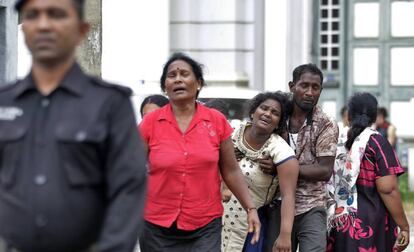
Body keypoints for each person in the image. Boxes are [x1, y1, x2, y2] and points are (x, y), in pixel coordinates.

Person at [0, 0, 148, 251]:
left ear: (81, 30)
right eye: (33, 15)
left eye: (56, 15)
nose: (44, 25)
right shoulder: (5, 102)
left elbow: (128, 189)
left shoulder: (110, 104)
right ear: (24, 28)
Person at [138, 52, 260, 252]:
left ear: (199, 83)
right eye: (172, 75)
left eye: (184, 74)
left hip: (204, 226)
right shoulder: (149, 124)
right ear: (164, 87)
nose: (178, 79)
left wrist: (250, 208)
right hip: (156, 228)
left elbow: (230, 171)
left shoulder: (216, 121)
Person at [264, 64, 339, 252]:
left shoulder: (326, 123)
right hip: (276, 203)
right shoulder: (277, 115)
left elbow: (324, 170)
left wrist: (281, 168)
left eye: (315, 87)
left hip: (311, 206)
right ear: (292, 86)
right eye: (304, 85)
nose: (309, 92)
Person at [327, 92, 410, 252]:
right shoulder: (376, 142)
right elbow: (388, 189)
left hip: (338, 219)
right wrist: (404, 226)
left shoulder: (335, 139)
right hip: (370, 223)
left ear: (348, 115)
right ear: (374, 116)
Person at [222, 92, 299, 252]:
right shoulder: (230, 136)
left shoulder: (281, 152)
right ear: (252, 112)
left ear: (279, 123)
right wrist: (224, 155)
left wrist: (285, 235)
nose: (267, 114)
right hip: (215, 220)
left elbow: (288, 195)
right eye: (264, 108)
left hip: (251, 227)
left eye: (275, 113)